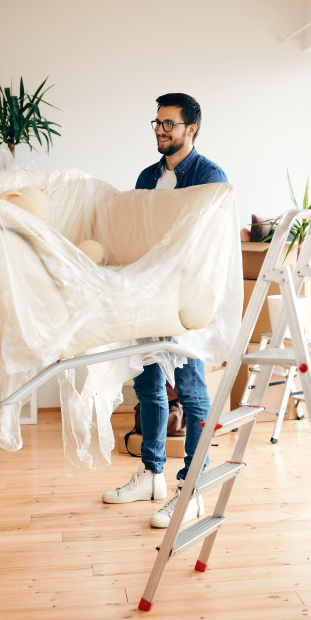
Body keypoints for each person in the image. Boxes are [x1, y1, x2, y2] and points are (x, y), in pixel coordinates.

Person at [102, 93, 228, 528]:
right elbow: (135, 232)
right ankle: (152, 474)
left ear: (191, 128)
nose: (160, 129)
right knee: (150, 386)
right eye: (156, 122)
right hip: (147, 295)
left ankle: (190, 487)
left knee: (191, 392)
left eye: (169, 124)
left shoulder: (210, 177)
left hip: (185, 302)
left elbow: (207, 247)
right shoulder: (146, 176)